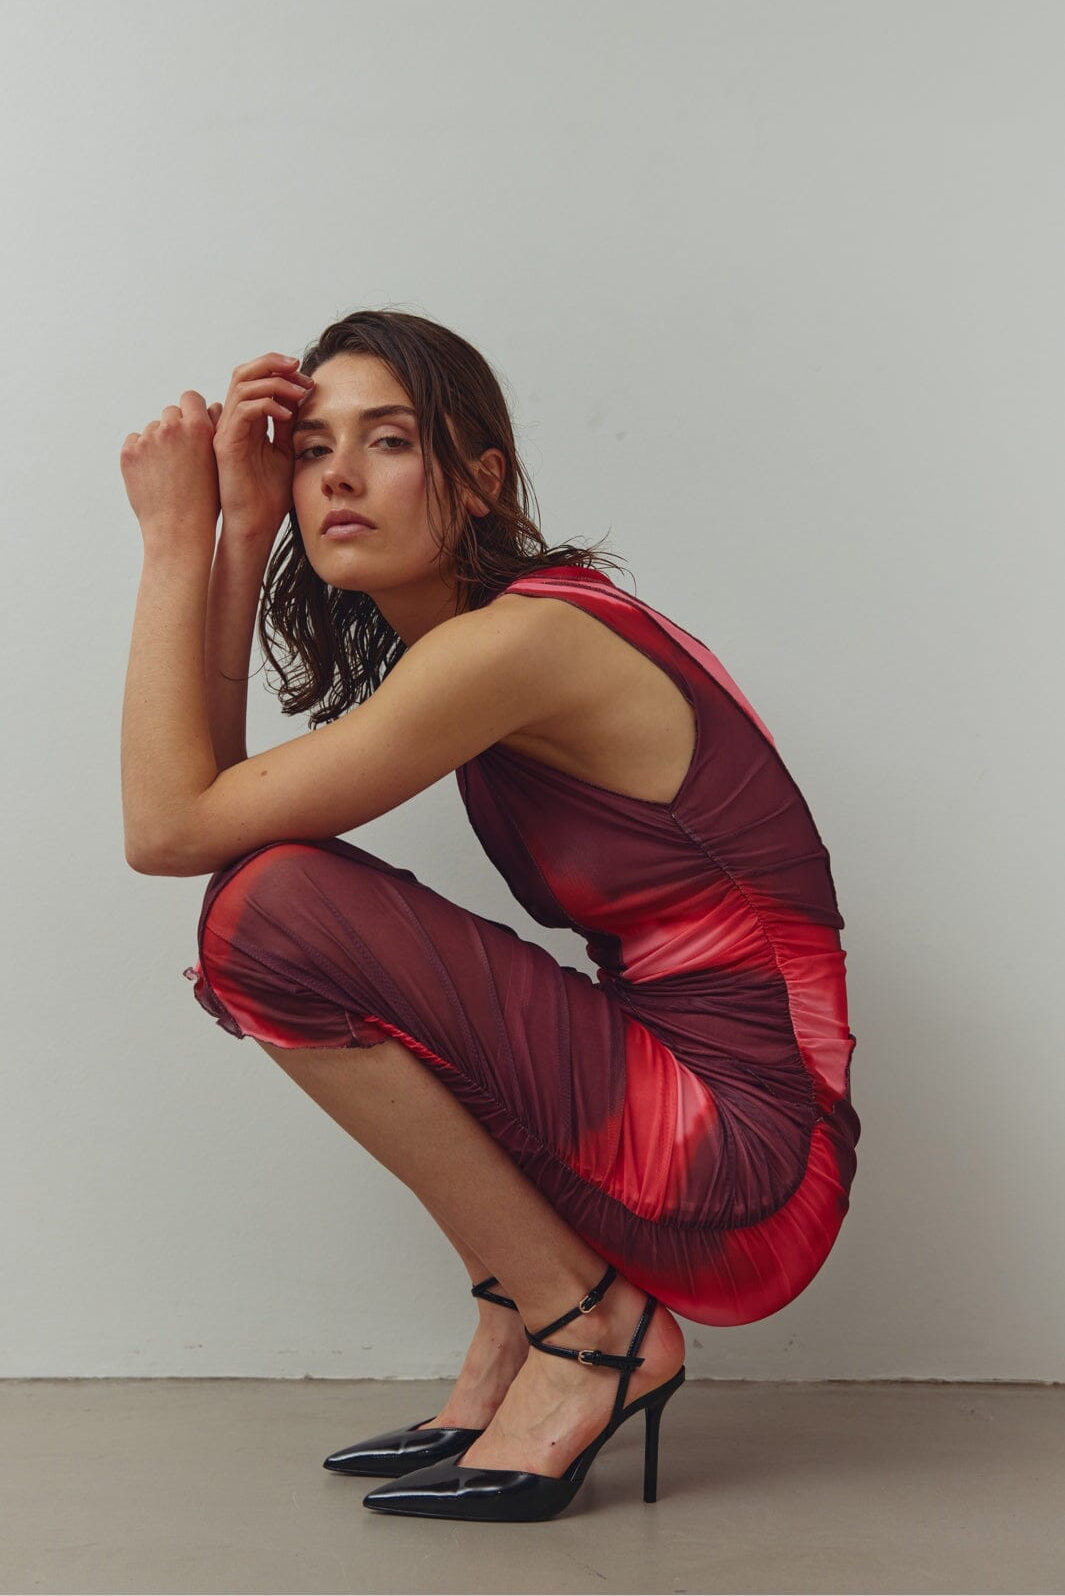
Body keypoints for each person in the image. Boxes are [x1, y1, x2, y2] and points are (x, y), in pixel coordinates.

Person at [120, 308, 860, 1524]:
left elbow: (167, 826)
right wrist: (240, 528)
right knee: (271, 897)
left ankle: (590, 1328)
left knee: (273, 912)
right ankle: (519, 1320)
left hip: (743, 1159)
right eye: (313, 449)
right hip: (699, 1115)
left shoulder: (520, 645)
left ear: (479, 480)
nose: (339, 475)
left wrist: (169, 542)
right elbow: (209, 809)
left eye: (388, 440)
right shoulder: (488, 638)